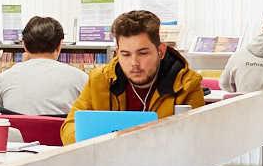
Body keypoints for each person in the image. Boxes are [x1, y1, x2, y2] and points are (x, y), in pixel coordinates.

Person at [62, 10, 205, 143]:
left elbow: (196, 139)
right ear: (117, 52)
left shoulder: (187, 84)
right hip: (109, 162)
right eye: (125, 54)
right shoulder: (99, 79)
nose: (134, 63)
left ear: (160, 51)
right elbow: (69, 127)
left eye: (143, 53)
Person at [0, 16, 87, 116]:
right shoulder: (80, 78)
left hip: (19, 131)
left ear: (24, 45)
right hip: (60, 131)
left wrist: (23, 64)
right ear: (59, 45)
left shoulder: (4, 78)